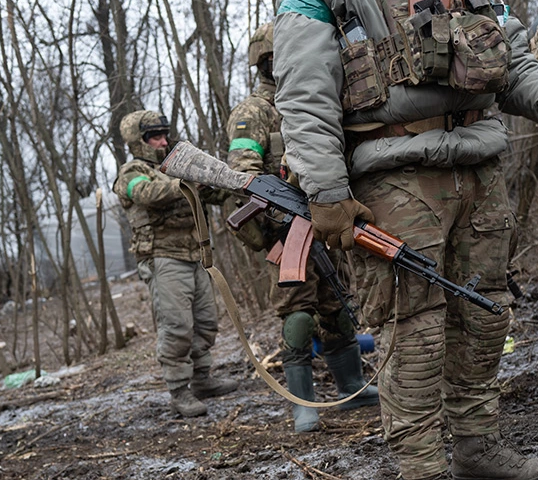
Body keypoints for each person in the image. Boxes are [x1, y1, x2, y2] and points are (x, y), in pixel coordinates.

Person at [274, 0, 538, 480]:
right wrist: (327, 190)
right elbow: (304, 89)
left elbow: (510, 52)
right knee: (412, 329)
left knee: (485, 313)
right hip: (393, 174)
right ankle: (426, 477)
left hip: (478, 162)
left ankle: (475, 447)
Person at [225, 22, 379, 433]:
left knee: (339, 307)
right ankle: (302, 404)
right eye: (276, 58)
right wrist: (279, 213)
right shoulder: (254, 112)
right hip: (284, 232)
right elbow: (242, 176)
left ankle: (351, 385)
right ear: (265, 63)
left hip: (324, 223)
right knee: (299, 316)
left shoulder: (311, 100)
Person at [113, 110, 240, 417]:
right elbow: (148, 193)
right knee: (177, 326)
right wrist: (188, 179)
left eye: (164, 134)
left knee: (206, 321)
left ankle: (202, 379)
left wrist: (213, 180)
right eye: (154, 136)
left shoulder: (176, 166)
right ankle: (178, 389)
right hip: (163, 258)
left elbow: (217, 196)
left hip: (195, 256)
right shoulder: (132, 173)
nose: (162, 141)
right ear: (138, 141)